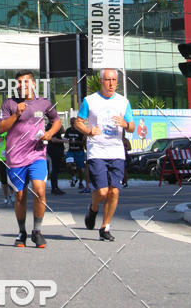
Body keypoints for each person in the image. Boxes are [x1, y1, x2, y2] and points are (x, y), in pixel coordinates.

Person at [0, 70, 61, 249]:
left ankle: (38, 231)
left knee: (40, 190)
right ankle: (21, 232)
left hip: (37, 154)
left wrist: (49, 133)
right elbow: (1, 128)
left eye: (25, 82)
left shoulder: (43, 103)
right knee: (20, 195)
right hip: (16, 157)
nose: (21, 86)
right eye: (18, 83)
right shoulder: (9, 103)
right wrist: (16, 114)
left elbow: (56, 120)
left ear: (33, 84)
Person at [75, 68, 135, 241]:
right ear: (101, 81)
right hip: (97, 150)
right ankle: (93, 209)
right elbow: (78, 122)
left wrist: (124, 123)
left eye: (114, 80)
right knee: (102, 192)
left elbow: (132, 126)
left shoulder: (123, 102)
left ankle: (105, 227)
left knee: (114, 191)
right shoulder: (90, 100)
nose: (111, 84)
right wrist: (88, 130)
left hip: (116, 150)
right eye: (108, 80)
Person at [64, 116, 87, 190]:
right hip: (71, 151)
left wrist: (77, 142)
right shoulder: (68, 130)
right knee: (69, 164)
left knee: (80, 168)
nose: (72, 124)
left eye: (73, 123)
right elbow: (65, 139)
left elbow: (84, 141)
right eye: (71, 123)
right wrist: (68, 141)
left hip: (79, 151)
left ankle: (80, 182)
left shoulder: (79, 131)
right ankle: (73, 177)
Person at [47, 127, 66, 195]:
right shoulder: (51, 126)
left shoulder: (57, 127)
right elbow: (53, 139)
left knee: (56, 169)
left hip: (58, 150)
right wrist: (64, 141)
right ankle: (54, 188)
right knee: (54, 169)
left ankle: (56, 187)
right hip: (54, 150)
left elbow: (61, 134)